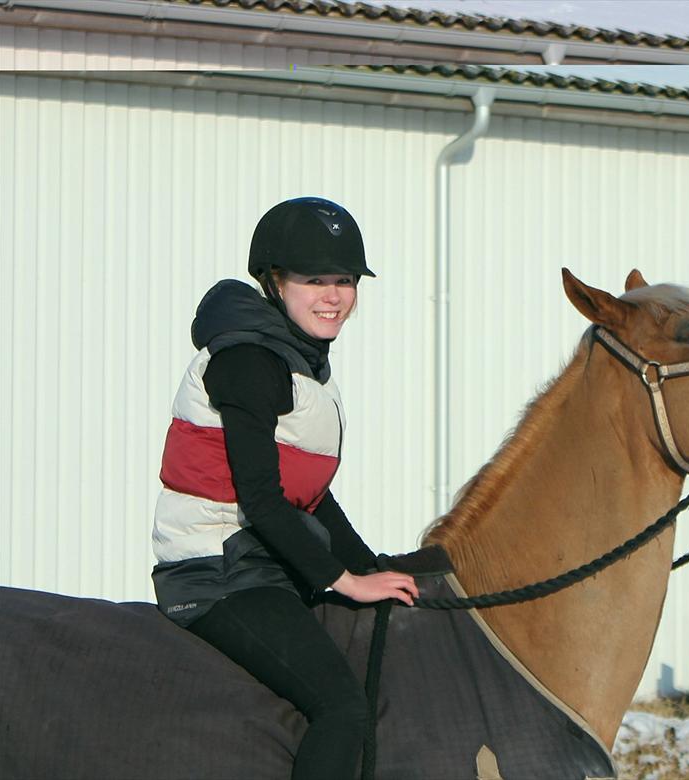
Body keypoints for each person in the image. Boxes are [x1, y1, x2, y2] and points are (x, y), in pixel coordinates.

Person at [151, 196, 418, 780]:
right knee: (344, 709)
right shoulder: (248, 360)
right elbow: (262, 503)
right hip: (216, 571)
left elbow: (310, 496)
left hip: (261, 560)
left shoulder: (300, 361)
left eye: (345, 280)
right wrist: (344, 579)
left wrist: (375, 565)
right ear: (274, 282)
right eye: (314, 279)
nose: (334, 295)